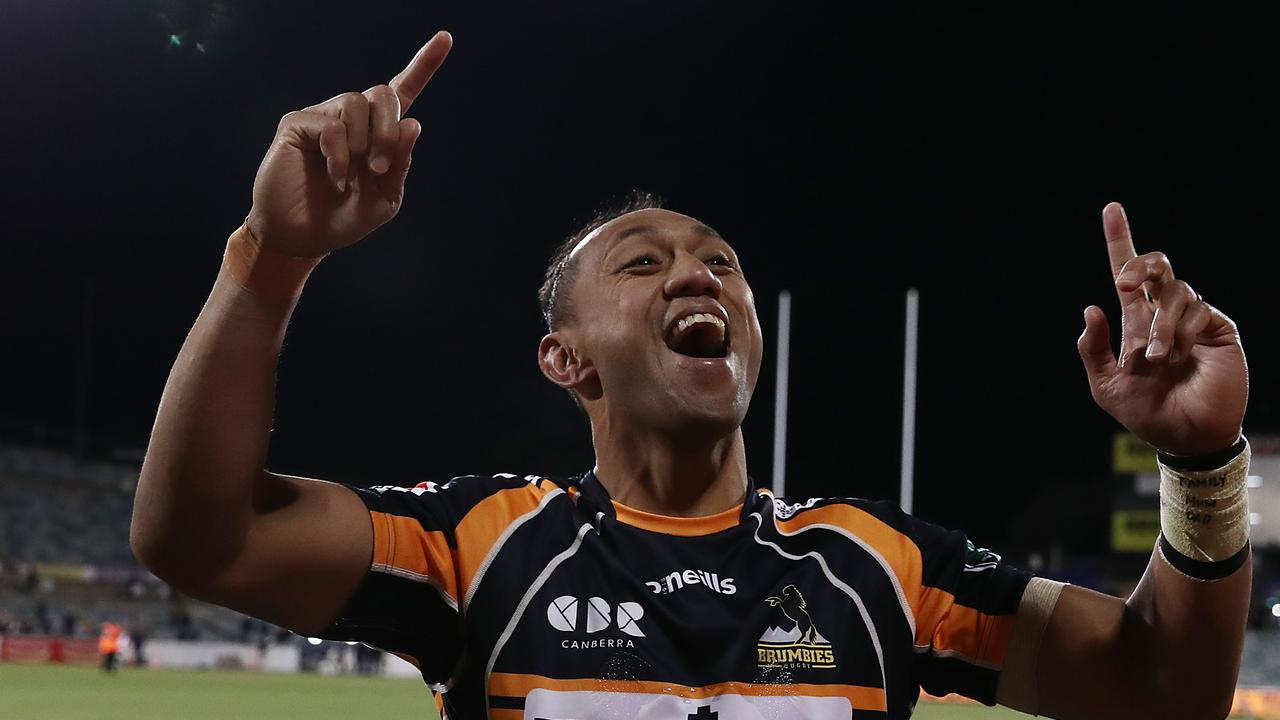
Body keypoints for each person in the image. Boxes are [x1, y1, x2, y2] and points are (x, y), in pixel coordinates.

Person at [130, 30, 1253, 720]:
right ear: (563, 360)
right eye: (642, 263)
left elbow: (1164, 690)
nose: (695, 276)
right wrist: (270, 262)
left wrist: (1200, 463)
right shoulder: (477, 547)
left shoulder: (881, 566)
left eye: (721, 262)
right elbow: (198, 536)